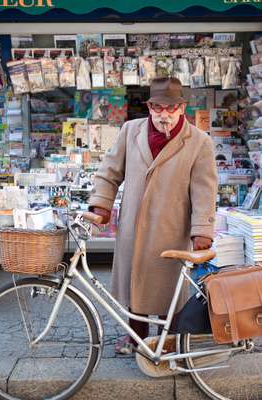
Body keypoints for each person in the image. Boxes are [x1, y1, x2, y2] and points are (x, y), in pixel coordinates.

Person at [88, 77, 218, 354]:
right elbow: (110, 171)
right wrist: (101, 204)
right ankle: (135, 337)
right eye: (158, 108)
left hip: (171, 228)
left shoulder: (199, 142)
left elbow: (204, 191)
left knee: (167, 290)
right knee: (136, 288)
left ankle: (166, 341)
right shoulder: (130, 130)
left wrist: (202, 231)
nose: (164, 115)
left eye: (171, 109)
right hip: (133, 225)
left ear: (182, 108)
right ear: (149, 107)